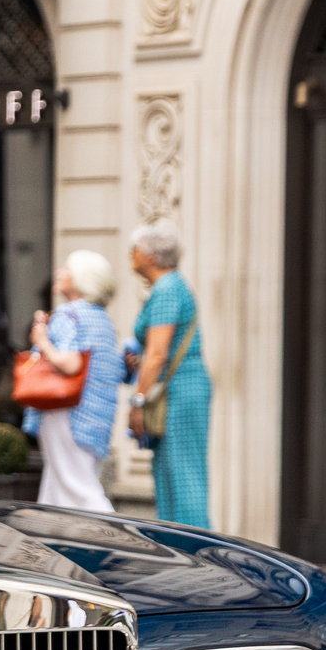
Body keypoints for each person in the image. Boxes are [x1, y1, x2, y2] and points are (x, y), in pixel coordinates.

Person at [24, 251, 123, 514]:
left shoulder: (68, 314)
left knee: (80, 490)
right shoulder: (101, 318)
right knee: (57, 490)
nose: (59, 273)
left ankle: (117, 544)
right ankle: (49, 548)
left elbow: (71, 364)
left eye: (66, 269)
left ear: (82, 279)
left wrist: (42, 339)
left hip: (67, 413)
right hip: (95, 417)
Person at [128, 224, 212, 528]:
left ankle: (198, 558)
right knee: (171, 478)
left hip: (179, 391)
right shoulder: (171, 288)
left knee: (184, 480)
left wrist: (137, 400)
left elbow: (158, 353)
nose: (131, 255)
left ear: (151, 255)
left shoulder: (166, 290)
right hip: (177, 389)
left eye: (134, 249)